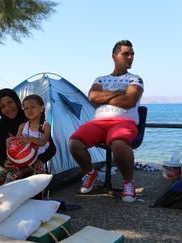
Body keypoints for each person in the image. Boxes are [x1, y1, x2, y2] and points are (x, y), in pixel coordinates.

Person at [69, 40, 144, 203]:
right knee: (75, 143)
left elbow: (129, 101)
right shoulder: (101, 79)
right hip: (99, 123)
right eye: (126, 54)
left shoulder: (135, 79)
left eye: (132, 54)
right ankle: (90, 173)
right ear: (114, 56)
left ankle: (128, 183)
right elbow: (92, 97)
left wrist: (104, 97)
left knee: (118, 144)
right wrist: (118, 92)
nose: (130, 57)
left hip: (124, 121)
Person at [0, 94, 51, 187]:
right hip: (17, 161)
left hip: (32, 163)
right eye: (2, 106)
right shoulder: (22, 125)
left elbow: (47, 144)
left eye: (10, 102)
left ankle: (10, 198)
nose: (7, 108)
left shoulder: (44, 125)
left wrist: (40, 159)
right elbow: (15, 141)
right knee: (0, 173)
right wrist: (9, 141)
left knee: (11, 176)